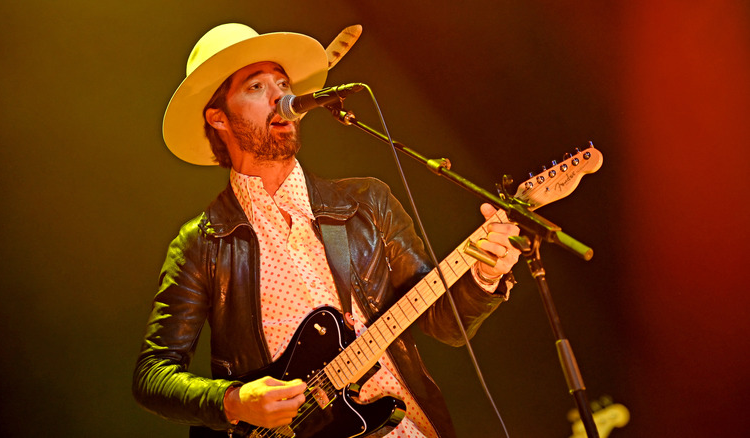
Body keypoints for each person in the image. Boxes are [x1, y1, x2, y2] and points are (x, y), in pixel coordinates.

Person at [133, 23, 521, 438]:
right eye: (255, 87)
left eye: (282, 83)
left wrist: (484, 275)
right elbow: (153, 376)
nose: (280, 97)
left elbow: (444, 323)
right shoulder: (202, 243)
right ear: (219, 118)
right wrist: (235, 401)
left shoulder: (366, 202)